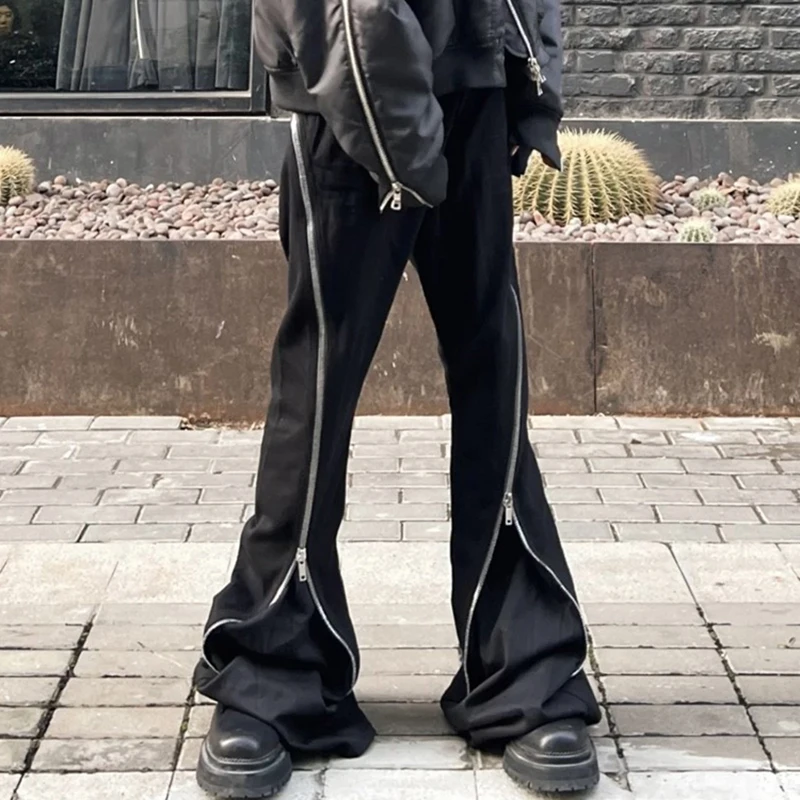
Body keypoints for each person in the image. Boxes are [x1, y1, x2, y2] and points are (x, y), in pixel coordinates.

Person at [193, 0, 602, 797]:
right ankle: (274, 670)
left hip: (477, 80)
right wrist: (401, 141)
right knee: (316, 393)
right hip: (344, 83)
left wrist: (530, 77)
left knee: (495, 377)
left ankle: (523, 665)